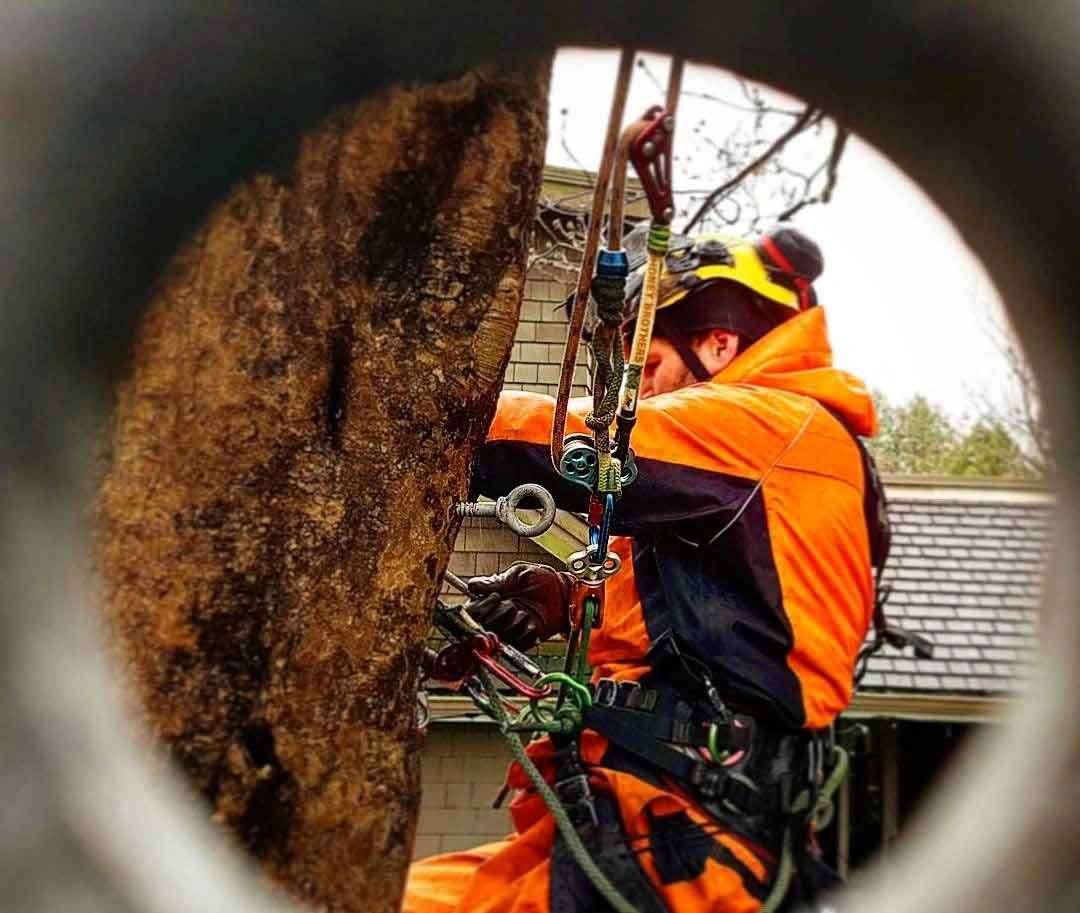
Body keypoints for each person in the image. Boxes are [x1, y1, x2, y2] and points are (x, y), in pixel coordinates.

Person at [405, 228, 882, 913]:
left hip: (677, 836)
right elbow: (718, 612)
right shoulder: (773, 460)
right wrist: (568, 600)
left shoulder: (771, 424)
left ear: (719, 343)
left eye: (651, 361)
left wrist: (415, 405)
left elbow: (581, 446)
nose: (644, 386)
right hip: (665, 822)